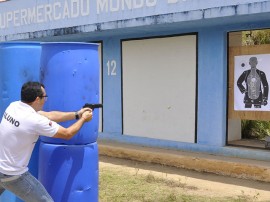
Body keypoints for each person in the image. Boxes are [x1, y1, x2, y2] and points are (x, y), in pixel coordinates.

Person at [0, 81, 93, 202]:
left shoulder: (14, 106)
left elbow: (48, 115)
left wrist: (76, 115)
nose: (46, 100)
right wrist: (84, 119)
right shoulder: (34, 120)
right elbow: (67, 134)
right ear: (37, 99)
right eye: (45, 97)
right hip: (14, 176)